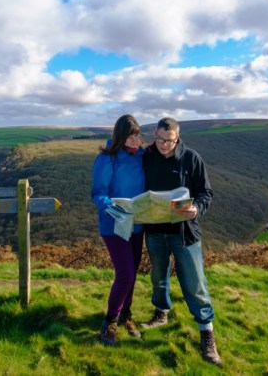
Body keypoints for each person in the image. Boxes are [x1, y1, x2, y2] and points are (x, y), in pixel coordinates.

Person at [139, 117, 221, 365]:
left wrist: (196, 208)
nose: (163, 145)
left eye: (169, 140)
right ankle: (161, 313)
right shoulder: (147, 156)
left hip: (184, 232)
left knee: (195, 282)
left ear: (178, 137)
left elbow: (206, 192)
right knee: (158, 278)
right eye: (159, 139)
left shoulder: (191, 158)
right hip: (154, 230)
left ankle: (206, 332)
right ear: (155, 134)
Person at [90, 114, 146, 346]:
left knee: (132, 273)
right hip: (114, 224)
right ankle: (109, 322)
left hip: (138, 223)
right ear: (120, 137)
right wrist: (111, 205)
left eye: (137, 135)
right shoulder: (107, 159)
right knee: (125, 274)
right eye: (129, 136)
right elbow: (98, 192)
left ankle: (126, 315)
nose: (134, 140)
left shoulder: (143, 156)